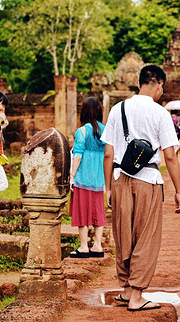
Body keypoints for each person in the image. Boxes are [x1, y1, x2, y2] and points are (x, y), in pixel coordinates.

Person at [101, 65, 180, 312]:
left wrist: (108, 188)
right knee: (146, 236)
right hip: (147, 179)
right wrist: (179, 190)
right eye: (162, 88)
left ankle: (126, 289)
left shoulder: (118, 109)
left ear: (139, 83)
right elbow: (169, 155)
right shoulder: (160, 114)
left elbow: (108, 152)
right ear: (158, 85)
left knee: (123, 234)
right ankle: (136, 296)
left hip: (118, 177)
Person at [68, 97, 107, 258]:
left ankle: (84, 246)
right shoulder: (105, 130)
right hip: (99, 179)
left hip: (82, 178)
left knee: (82, 212)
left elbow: (77, 155)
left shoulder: (82, 131)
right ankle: (97, 245)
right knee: (98, 211)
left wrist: (71, 176)